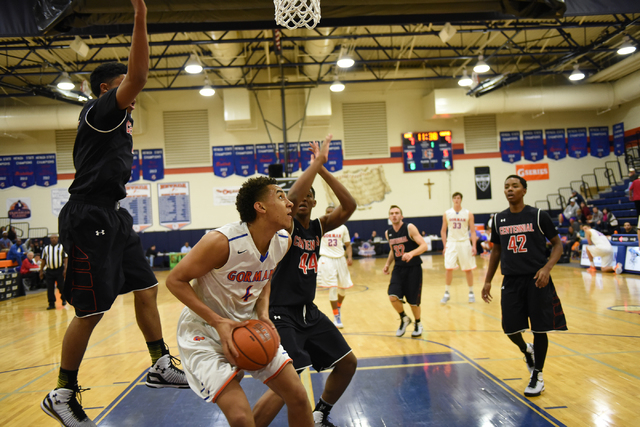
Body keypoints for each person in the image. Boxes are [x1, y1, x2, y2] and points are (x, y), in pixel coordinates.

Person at [41, 2, 188, 425]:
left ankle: (159, 363)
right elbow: (138, 76)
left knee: (146, 287)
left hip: (113, 216)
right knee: (91, 311)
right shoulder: (101, 111)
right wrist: (141, 15)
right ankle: (62, 391)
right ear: (107, 88)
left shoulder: (117, 121)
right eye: (124, 86)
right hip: (87, 218)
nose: (134, 93)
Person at [166, 173, 321, 427]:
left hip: (247, 327)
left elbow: (266, 275)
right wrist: (218, 322)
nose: (290, 203)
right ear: (260, 208)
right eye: (281, 197)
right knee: (240, 417)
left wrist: (263, 314)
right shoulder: (222, 241)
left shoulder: (282, 240)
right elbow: (174, 281)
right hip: (204, 331)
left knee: (298, 397)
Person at [252, 134, 358, 427]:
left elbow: (349, 205)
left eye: (309, 196)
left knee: (347, 363)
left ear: (314, 201)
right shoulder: (283, 227)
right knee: (290, 380)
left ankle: (320, 413)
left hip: (307, 312)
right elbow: (294, 194)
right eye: (290, 200)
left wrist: (322, 170)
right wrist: (316, 162)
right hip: (280, 313)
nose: (298, 201)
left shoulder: (319, 227)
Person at [482, 175, 567, 398]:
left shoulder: (538, 215)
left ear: (524, 190)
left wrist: (547, 268)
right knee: (510, 328)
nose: (510, 189)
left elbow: (558, 245)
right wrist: (488, 280)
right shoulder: (499, 219)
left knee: (539, 329)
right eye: (506, 186)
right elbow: (496, 251)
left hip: (537, 280)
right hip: (511, 281)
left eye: (515, 186)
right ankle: (526, 350)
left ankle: (537, 374)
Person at [383, 205, 429, 337]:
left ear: (401, 216)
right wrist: (387, 264)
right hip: (398, 268)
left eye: (397, 213)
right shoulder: (388, 233)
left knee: (413, 301)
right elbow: (393, 250)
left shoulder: (409, 228)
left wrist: (411, 254)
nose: (394, 215)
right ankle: (404, 318)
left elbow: (424, 245)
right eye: (392, 213)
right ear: (389, 217)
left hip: (413, 268)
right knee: (392, 296)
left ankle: (418, 323)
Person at [317, 205, 354, 329]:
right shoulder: (321, 226)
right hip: (326, 259)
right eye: (327, 212)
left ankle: (338, 306)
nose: (329, 214)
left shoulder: (343, 227)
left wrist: (349, 257)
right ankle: (336, 315)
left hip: (340, 259)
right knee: (333, 287)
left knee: (343, 288)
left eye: (331, 212)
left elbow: (348, 245)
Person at [440, 192, 477, 304]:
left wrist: (474, 245)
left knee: (468, 269)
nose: (456, 200)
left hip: (464, 242)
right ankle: (447, 293)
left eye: (458, 198)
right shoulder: (447, 213)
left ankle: (471, 292)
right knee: (448, 268)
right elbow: (443, 230)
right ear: (452, 200)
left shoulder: (468, 213)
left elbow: (473, 231)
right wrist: (444, 245)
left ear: (461, 200)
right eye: (455, 198)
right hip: (451, 243)